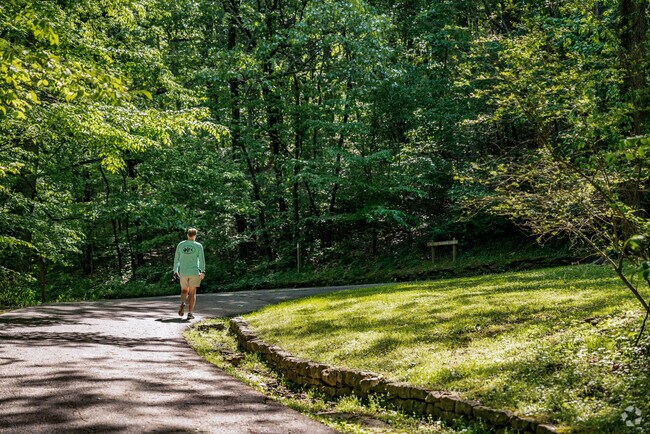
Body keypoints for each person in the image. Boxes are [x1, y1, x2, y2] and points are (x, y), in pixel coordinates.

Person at [173, 228, 205, 320]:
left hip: (183, 272)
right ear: (195, 235)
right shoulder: (198, 245)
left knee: (184, 290)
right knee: (192, 293)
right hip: (194, 272)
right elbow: (202, 260)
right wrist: (203, 271)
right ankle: (190, 313)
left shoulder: (181, 245)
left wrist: (175, 270)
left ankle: (183, 302)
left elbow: (176, 259)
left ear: (187, 235)